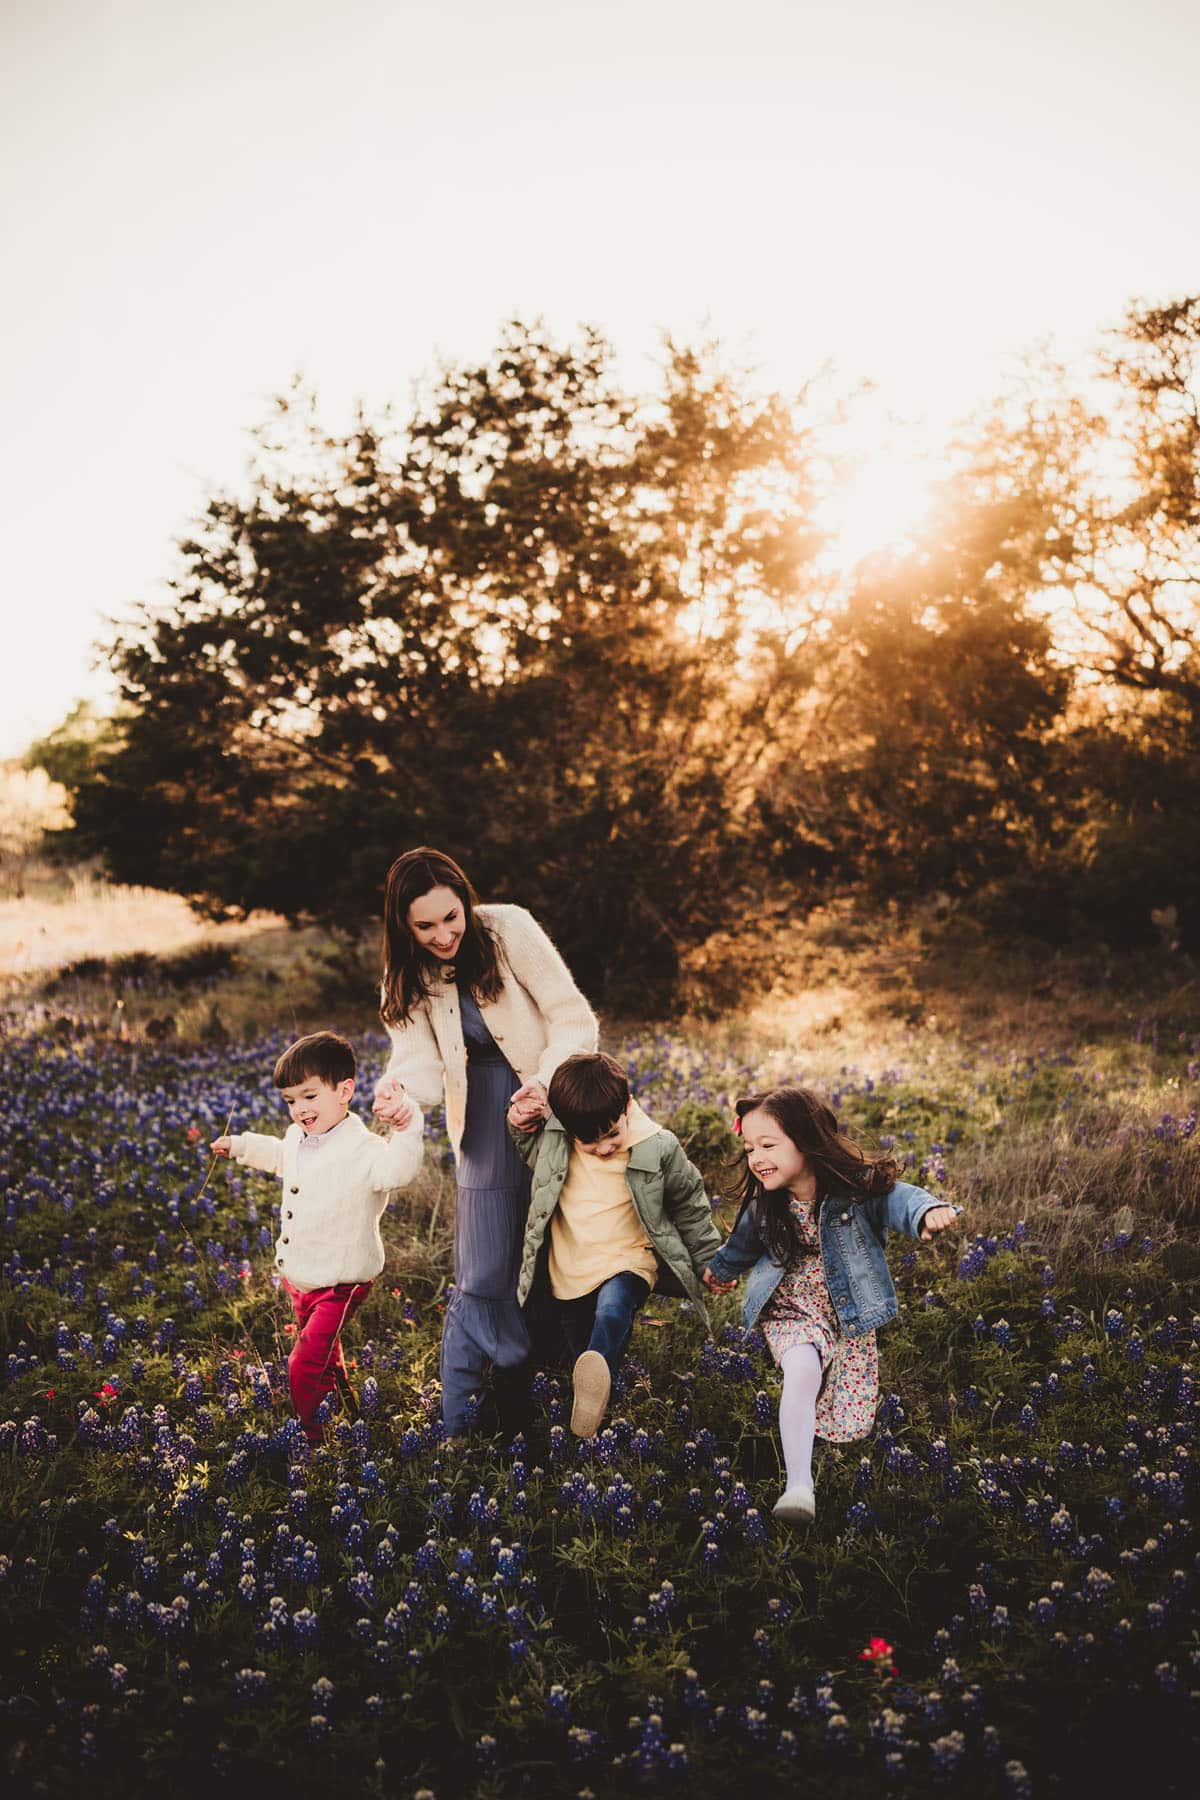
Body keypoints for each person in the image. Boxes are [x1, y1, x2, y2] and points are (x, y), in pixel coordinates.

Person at [372, 847, 597, 1435]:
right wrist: (399, 1093)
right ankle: (465, 1415)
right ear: (403, 925)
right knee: (484, 1267)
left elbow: (573, 1018)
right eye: (425, 926)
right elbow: (418, 1062)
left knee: (555, 1248)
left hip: (553, 1102)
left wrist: (543, 1084)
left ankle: (539, 1395)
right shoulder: (405, 976)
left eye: (452, 916)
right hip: (481, 1122)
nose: (444, 934)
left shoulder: (507, 928)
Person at [703, 1086, 961, 1525]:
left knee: (848, 1412)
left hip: (848, 1309)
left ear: (806, 1140)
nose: (756, 1157)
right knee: (802, 1373)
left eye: (768, 1145)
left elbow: (899, 1197)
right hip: (791, 1305)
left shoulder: (855, 1187)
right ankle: (799, 1486)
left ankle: (818, 1450)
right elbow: (744, 1240)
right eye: (749, 1148)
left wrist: (925, 1212)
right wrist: (722, 1268)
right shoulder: (769, 1200)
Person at [211, 1030, 424, 1445]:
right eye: (291, 1100)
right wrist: (239, 1145)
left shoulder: (364, 1150)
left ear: (344, 1091)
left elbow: (398, 1170)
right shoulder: (298, 1139)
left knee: (303, 1365)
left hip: (341, 1282)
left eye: (310, 1096)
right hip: (304, 1276)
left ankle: (317, 1443)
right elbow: (278, 1155)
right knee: (324, 1354)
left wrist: (409, 1127)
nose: (299, 1109)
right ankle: (348, 1407)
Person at [507, 1051, 723, 1439]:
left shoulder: (657, 1145)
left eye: (612, 1135)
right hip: (569, 1272)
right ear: (567, 1128)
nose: (605, 1148)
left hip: (629, 1262)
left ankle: (595, 1398)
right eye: (591, 1142)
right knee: (586, 1360)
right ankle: (594, 1426)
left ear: (626, 1107)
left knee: (612, 1311)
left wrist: (708, 1258)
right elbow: (532, 1155)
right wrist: (521, 1127)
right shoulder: (557, 1141)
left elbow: (690, 1204)